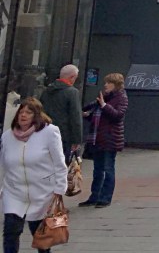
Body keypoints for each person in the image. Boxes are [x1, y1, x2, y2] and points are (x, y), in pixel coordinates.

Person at [0, 98, 65, 253]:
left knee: (41, 236)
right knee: (10, 232)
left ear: (36, 115)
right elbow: (3, 164)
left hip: (42, 192)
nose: (23, 115)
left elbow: (59, 163)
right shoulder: (7, 136)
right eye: (21, 112)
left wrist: (59, 190)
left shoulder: (49, 132)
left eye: (28, 112)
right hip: (14, 192)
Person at [80, 72, 128, 208]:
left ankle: (105, 198)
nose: (105, 85)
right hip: (98, 138)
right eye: (105, 82)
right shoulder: (105, 97)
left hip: (110, 139)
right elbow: (99, 116)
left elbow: (118, 115)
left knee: (108, 169)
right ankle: (94, 196)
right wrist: (87, 115)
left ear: (116, 85)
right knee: (97, 170)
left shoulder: (121, 98)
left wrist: (104, 105)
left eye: (109, 83)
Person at [39, 63, 83, 163]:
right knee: (60, 163)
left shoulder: (47, 90)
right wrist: (77, 140)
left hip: (44, 131)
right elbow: (75, 117)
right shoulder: (72, 92)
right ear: (72, 77)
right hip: (63, 135)